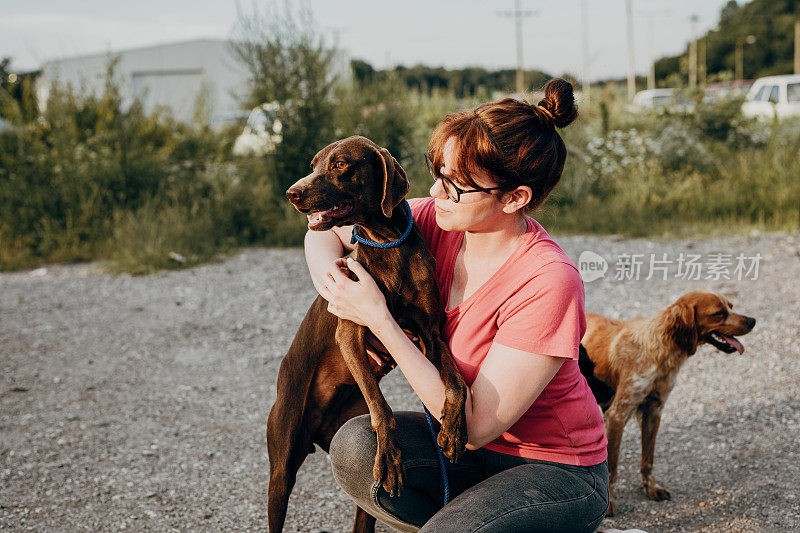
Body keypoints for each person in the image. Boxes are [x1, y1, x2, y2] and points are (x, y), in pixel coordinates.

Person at [304, 78, 609, 533]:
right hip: (464, 457)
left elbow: (477, 424)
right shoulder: (433, 222)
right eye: (437, 173)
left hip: (555, 470)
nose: (436, 191)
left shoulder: (548, 282)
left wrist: (378, 319)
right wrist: (338, 287)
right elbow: (325, 232)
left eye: (456, 186)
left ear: (514, 198)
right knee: (356, 446)